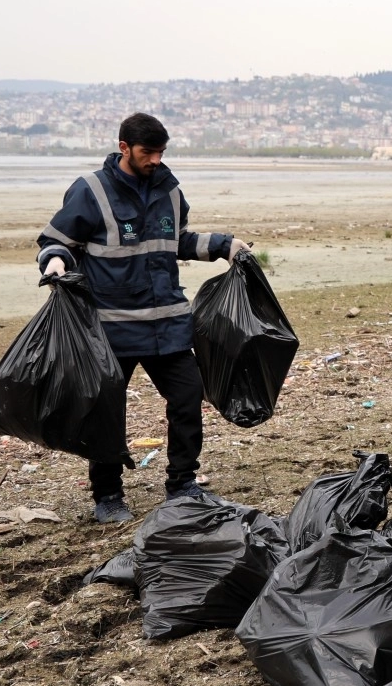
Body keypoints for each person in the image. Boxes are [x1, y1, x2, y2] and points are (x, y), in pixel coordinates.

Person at [36, 113, 250, 523]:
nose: (155, 160)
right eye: (147, 152)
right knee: (106, 412)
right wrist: (56, 262)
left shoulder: (170, 189)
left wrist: (225, 245)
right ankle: (108, 495)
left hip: (167, 327)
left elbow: (177, 240)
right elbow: (56, 241)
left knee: (188, 398)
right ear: (124, 148)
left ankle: (182, 485)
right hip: (110, 330)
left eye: (161, 152)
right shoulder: (91, 191)